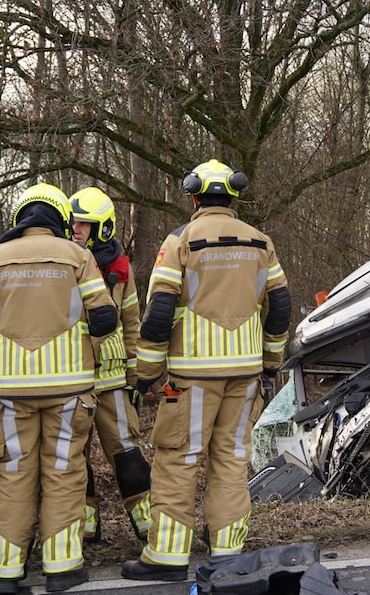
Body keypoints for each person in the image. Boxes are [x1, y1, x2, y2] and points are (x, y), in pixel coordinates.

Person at [121, 159, 291, 581]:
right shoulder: (260, 242)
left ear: (194, 197)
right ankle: (228, 553)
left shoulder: (180, 241)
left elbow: (159, 312)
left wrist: (147, 374)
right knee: (231, 459)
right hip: (246, 373)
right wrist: (271, 364)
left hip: (192, 375)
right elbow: (280, 308)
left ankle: (167, 556)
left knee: (178, 460)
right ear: (233, 197)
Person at [0, 183, 118, 594]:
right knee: (64, 473)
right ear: (61, 219)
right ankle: (62, 568)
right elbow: (105, 318)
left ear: (20, 217)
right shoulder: (77, 256)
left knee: (14, 476)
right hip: (69, 388)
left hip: (11, 391)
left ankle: (5, 572)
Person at [68, 186, 152, 543]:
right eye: (73, 222)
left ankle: (148, 523)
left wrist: (135, 378)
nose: (75, 229)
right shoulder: (61, 262)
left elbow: (132, 322)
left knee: (126, 451)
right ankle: (85, 524)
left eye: (84, 224)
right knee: (75, 455)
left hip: (112, 379)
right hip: (72, 378)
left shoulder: (120, 267)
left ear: (102, 228)